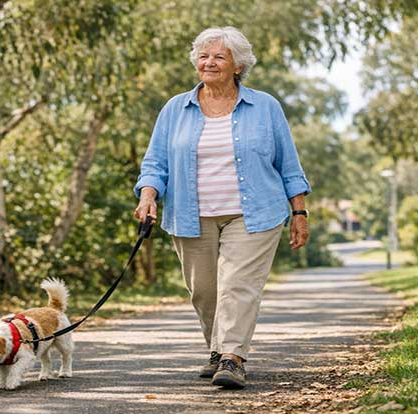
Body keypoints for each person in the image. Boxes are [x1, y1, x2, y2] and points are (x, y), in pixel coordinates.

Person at [133, 26, 310, 389]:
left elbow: (288, 164)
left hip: (255, 213)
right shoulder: (175, 109)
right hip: (190, 214)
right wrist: (148, 195)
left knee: (237, 285)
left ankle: (232, 357)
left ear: (238, 66)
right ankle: (217, 350)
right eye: (203, 55)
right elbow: (156, 162)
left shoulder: (265, 107)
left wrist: (299, 211)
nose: (208, 62)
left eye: (219, 56)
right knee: (205, 291)